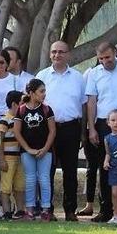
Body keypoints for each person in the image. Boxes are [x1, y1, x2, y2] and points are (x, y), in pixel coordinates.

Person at [81, 42, 117, 221]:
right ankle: (106, 210)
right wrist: (92, 127)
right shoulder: (94, 74)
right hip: (104, 123)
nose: (105, 62)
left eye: (108, 57)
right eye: (101, 59)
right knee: (106, 166)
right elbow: (91, 102)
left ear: (115, 53)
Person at [35, 41, 86, 221]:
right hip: (47, 129)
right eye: (54, 52)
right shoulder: (42, 76)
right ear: (50, 54)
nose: (57, 55)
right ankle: (47, 209)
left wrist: (83, 132)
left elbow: (84, 105)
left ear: (68, 54)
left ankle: (70, 209)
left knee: (70, 171)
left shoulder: (78, 77)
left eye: (61, 52)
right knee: (46, 171)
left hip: (71, 128)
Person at [13, 78, 56, 221]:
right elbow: (17, 132)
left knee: (44, 179)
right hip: (27, 152)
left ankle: (45, 209)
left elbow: (52, 131)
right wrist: (28, 149)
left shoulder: (46, 109)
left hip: (45, 151)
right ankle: (29, 210)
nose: (44, 94)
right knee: (30, 179)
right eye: (41, 91)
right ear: (31, 93)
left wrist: (45, 149)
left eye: (45, 91)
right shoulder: (22, 109)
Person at [0, 91, 25, 219]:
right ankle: (7, 211)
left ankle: (20, 210)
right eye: (21, 103)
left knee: (19, 185)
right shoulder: (5, 120)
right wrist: (1, 159)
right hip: (8, 158)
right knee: (6, 186)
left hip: (20, 157)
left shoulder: (21, 119)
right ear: (14, 104)